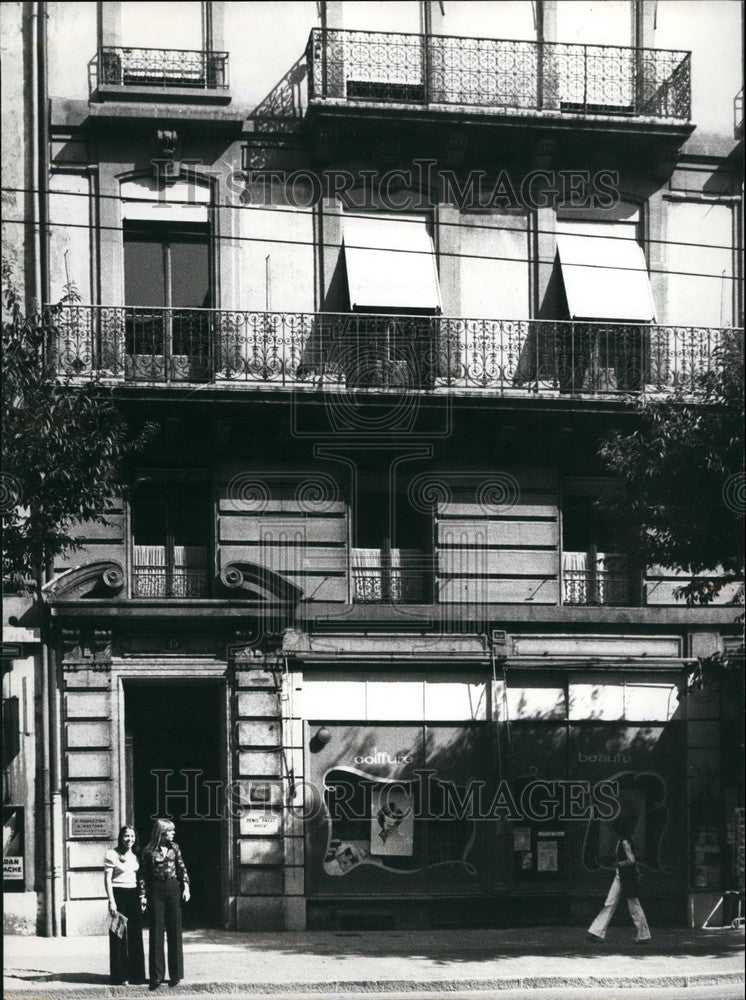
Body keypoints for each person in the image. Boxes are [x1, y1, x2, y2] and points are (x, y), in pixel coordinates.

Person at [140, 819, 190, 989]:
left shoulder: (174, 847)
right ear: (161, 832)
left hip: (173, 887)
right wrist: (143, 896)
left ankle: (175, 974)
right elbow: (143, 875)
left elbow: (182, 867)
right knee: (156, 931)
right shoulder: (148, 851)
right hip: (156, 889)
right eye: (170, 830)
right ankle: (156, 975)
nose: (173, 833)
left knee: (175, 928)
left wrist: (186, 888)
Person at [587, 816, 651, 944]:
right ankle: (597, 931)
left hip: (625, 876)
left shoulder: (624, 842)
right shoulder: (624, 840)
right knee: (624, 904)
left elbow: (631, 860)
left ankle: (643, 935)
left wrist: (618, 864)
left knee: (628, 904)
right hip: (623, 875)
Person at [104, 826, 146, 985]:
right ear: (121, 837)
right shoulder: (112, 854)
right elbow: (107, 879)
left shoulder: (137, 855)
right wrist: (111, 901)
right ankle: (120, 976)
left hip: (133, 895)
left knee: (136, 935)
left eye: (132, 836)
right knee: (117, 936)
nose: (130, 839)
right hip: (118, 896)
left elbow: (140, 878)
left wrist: (142, 896)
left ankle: (137, 975)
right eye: (126, 836)